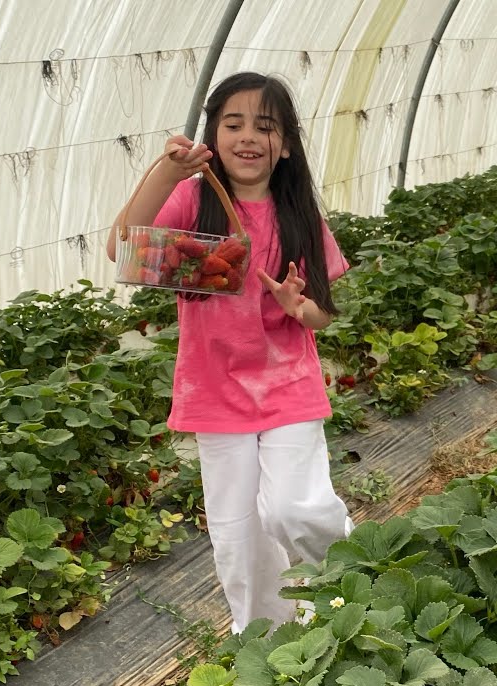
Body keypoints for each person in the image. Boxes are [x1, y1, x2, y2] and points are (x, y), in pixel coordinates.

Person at [108, 72, 353, 634]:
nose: (248, 136)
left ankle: (351, 583)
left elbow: (322, 313)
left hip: (287, 386)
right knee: (239, 534)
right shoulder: (194, 201)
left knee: (298, 508)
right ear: (213, 136)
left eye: (264, 126)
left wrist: (298, 309)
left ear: (286, 143)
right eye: (233, 123)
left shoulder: (299, 216)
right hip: (215, 393)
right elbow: (123, 245)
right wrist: (169, 171)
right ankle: (266, 640)